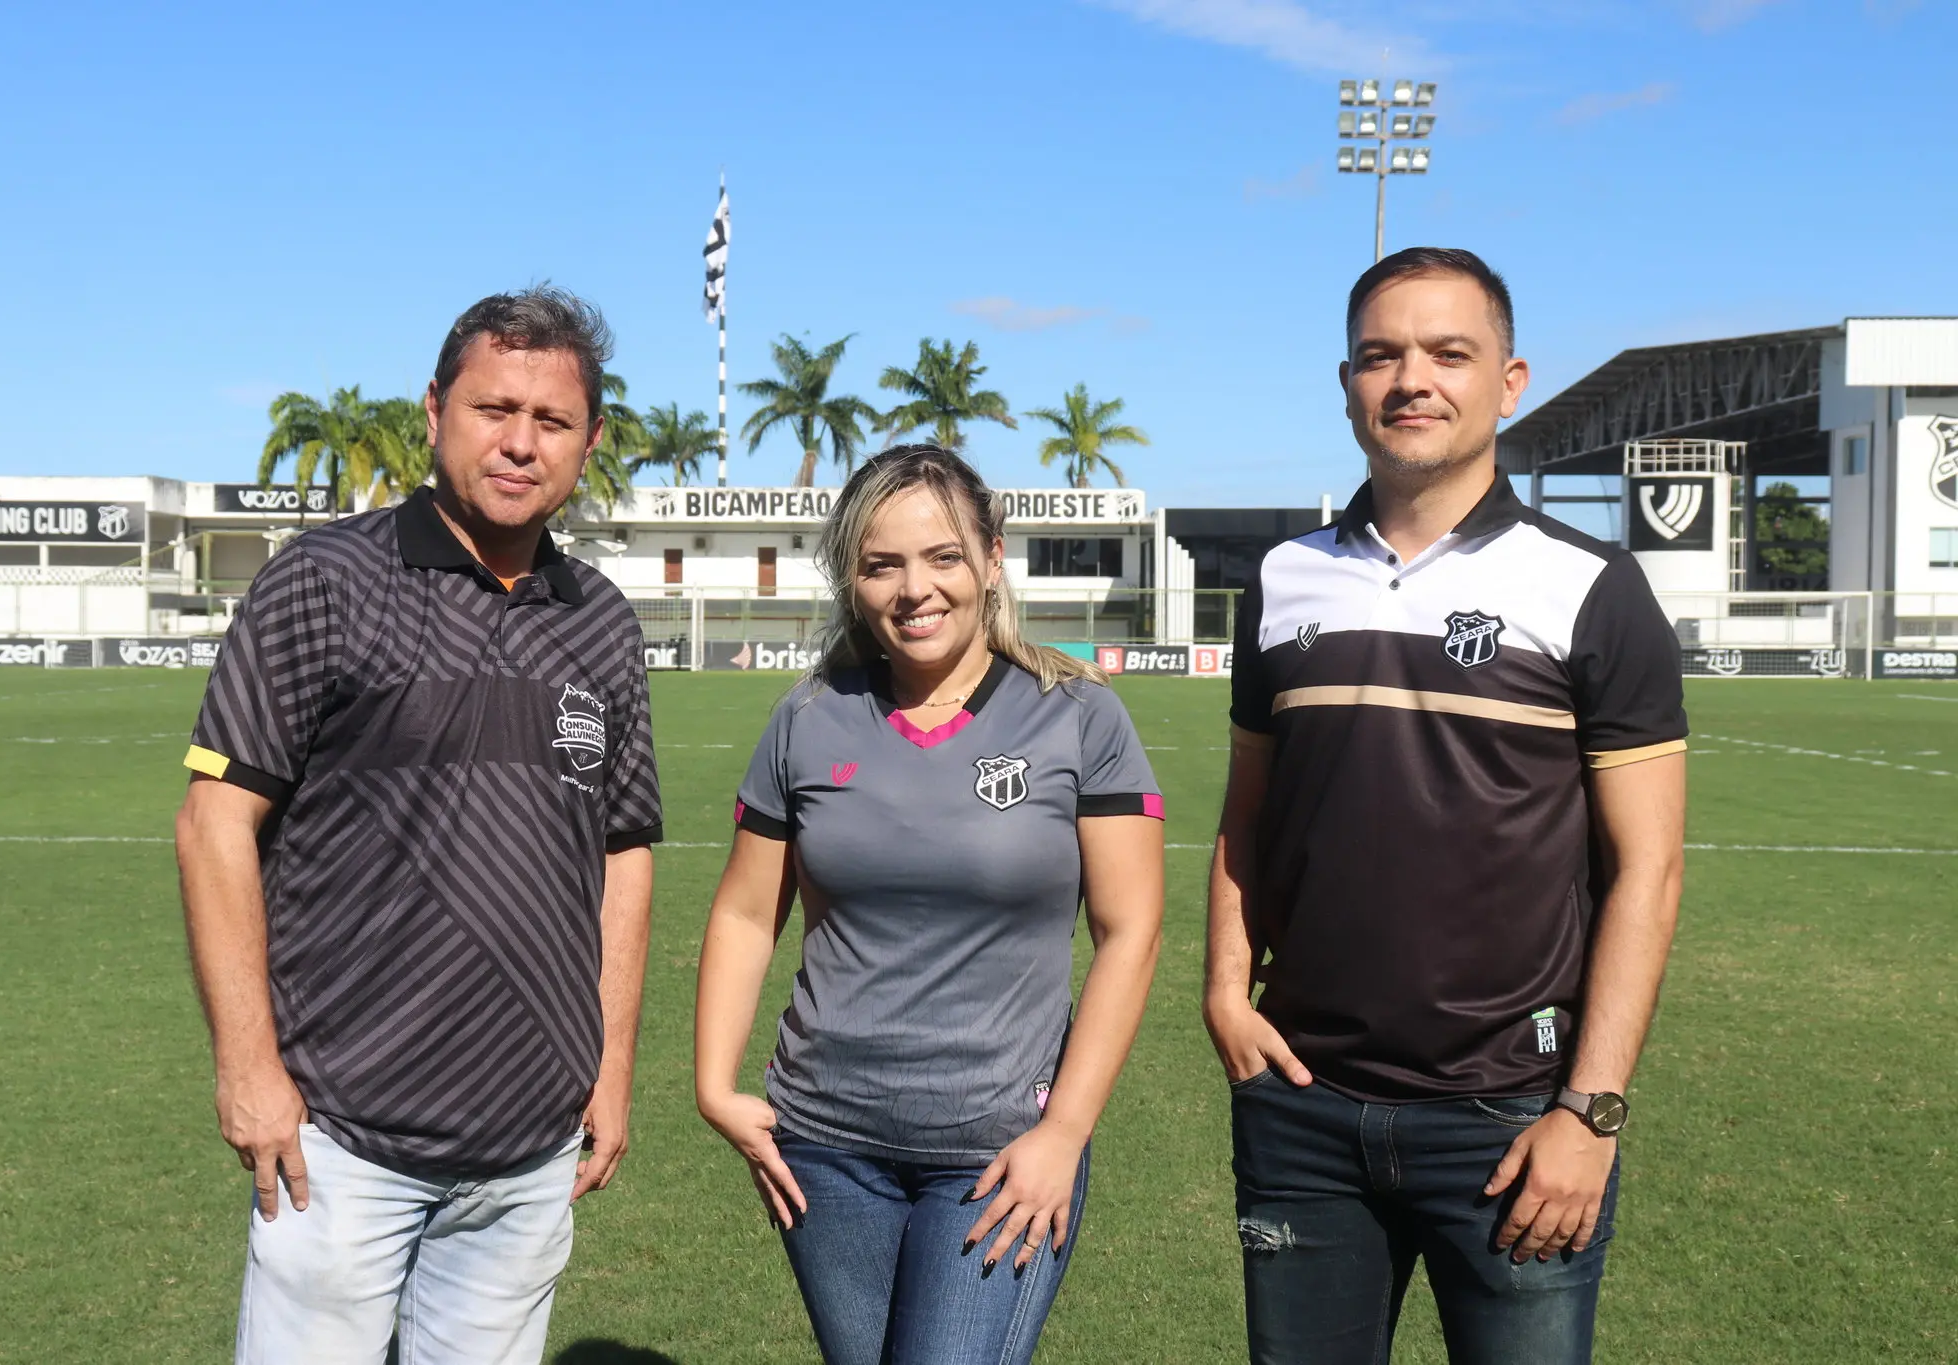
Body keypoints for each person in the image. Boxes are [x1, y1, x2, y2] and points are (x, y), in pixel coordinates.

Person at [1207, 247, 1688, 1364]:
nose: (1409, 378)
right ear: (1344, 384)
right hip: (1300, 1108)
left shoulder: (1591, 588)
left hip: (1514, 1120)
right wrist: (1225, 990)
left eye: (1445, 353)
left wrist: (1590, 1111)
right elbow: (1246, 818)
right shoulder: (1282, 581)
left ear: (1507, 381)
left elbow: (1647, 871)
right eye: (1380, 355)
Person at [174, 286, 662, 1365]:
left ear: (587, 445)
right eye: (495, 410)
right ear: (435, 409)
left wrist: (612, 1063)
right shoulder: (324, 582)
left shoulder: (603, 625)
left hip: (529, 1147)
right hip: (340, 1139)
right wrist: (248, 1068)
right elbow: (214, 824)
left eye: (552, 422)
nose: (520, 444)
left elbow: (623, 850)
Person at [693, 444, 1167, 1365]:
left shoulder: (1077, 714)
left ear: (991, 558)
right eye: (882, 563)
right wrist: (715, 1085)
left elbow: (1131, 930)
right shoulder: (806, 716)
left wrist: (1063, 1131)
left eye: (943, 556)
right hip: (824, 1150)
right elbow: (747, 913)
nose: (915, 588)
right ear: (851, 576)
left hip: (999, 1153)